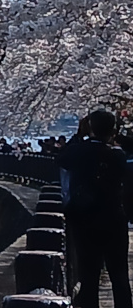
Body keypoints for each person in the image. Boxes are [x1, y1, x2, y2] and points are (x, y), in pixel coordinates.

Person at [58, 109, 131, 308]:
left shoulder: (78, 151)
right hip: (114, 218)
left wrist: (79, 135)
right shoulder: (117, 155)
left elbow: (61, 158)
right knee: (119, 275)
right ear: (113, 130)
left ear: (89, 127)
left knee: (88, 275)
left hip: (84, 219)